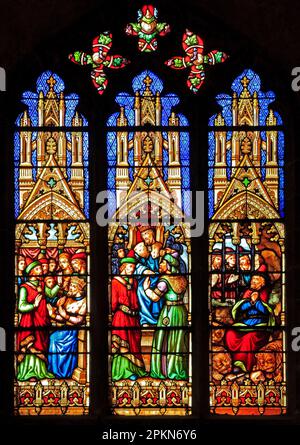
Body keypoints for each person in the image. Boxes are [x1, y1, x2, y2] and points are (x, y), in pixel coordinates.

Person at [144, 254, 189, 380]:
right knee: (179, 341)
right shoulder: (183, 279)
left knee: (164, 340)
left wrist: (146, 289)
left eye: (162, 263)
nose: (160, 265)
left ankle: (164, 371)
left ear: (169, 265)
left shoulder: (164, 281)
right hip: (181, 311)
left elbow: (155, 297)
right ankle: (176, 369)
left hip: (169, 312)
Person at [225, 272, 275, 373]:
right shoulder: (247, 292)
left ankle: (244, 365)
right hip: (246, 322)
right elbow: (240, 308)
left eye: (255, 280)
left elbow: (266, 311)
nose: (252, 282)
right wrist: (250, 302)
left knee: (249, 337)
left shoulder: (265, 294)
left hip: (260, 324)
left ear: (262, 283)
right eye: (252, 280)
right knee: (230, 333)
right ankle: (234, 360)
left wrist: (257, 302)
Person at [16, 258, 54, 381]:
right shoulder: (24, 288)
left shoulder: (41, 286)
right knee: (31, 345)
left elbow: (51, 295)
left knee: (41, 344)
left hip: (42, 320)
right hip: (30, 320)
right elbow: (21, 306)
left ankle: (41, 371)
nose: (41, 270)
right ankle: (28, 372)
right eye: (38, 269)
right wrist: (34, 305)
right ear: (31, 272)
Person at [111, 256, 147, 381]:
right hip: (121, 317)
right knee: (122, 343)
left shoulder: (134, 282)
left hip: (134, 317)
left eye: (134, 267)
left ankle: (136, 369)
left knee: (134, 344)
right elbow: (113, 303)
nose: (132, 269)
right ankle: (123, 371)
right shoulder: (115, 281)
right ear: (123, 267)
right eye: (130, 267)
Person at [48, 276, 86, 378]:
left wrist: (65, 315)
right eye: (70, 286)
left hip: (73, 331)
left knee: (54, 340)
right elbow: (62, 317)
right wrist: (53, 315)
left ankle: (64, 372)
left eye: (73, 286)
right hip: (65, 328)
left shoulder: (84, 302)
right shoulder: (68, 299)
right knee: (52, 338)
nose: (71, 288)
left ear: (79, 289)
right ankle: (55, 370)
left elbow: (79, 320)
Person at [134, 227, 163, 326]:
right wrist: (144, 270)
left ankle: (158, 317)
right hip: (146, 277)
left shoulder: (160, 247)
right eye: (142, 235)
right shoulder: (140, 248)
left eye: (146, 234)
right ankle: (145, 319)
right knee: (141, 289)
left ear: (152, 234)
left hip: (159, 276)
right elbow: (136, 264)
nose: (144, 237)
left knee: (160, 288)